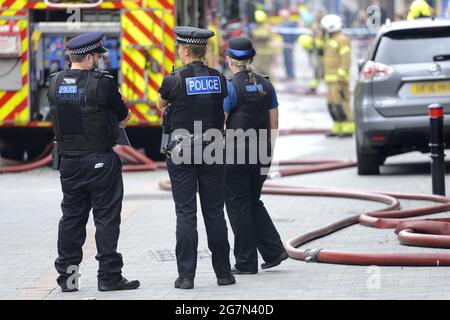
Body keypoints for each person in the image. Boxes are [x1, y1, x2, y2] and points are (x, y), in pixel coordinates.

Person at [48, 32, 139, 292]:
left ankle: (68, 280)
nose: (99, 60)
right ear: (89, 57)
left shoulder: (54, 84)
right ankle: (109, 278)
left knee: (72, 219)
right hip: (100, 161)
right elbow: (124, 115)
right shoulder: (103, 84)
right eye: (98, 56)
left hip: (68, 163)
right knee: (106, 219)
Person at [158, 26, 236, 290]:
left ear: (187, 50)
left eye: (180, 48)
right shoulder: (219, 78)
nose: (179, 52)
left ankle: (186, 277)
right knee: (214, 213)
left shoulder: (174, 80)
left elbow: (161, 104)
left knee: (186, 214)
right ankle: (224, 274)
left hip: (181, 152)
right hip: (213, 150)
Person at [224, 36, 288, 275]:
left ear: (230, 59)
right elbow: (275, 122)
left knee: (238, 205)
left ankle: (245, 262)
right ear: (251, 58)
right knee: (252, 201)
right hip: (263, 153)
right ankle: (273, 251)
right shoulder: (266, 85)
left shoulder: (230, 87)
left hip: (236, 154)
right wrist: (268, 153)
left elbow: (221, 123)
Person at [321, 14, 355, 137]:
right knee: (332, 105)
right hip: (330, 79)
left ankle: (348, 128)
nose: (322, 30)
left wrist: (341, 75)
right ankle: (338, 127)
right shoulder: (330, 39)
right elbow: (320, 50)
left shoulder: (342, 39)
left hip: (338, 79)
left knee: (341, 103)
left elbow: (345, 59)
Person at [251, 9, 274, 77]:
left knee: (266, 70)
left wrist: (254, 32)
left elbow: (265, 34)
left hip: (265, 52)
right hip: (258, 52)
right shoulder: (257, 26)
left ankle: (269, 85)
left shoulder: (266, 26)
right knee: (257, 69)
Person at [279, 9, 297, 79]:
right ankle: (287, 74)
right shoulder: (282, 24)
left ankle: (291, 74)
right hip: (284, 44)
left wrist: (293, 43)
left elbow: (294, 34)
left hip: (289, 44)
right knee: (286, 60)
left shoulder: (291, 23)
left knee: (290, 60)